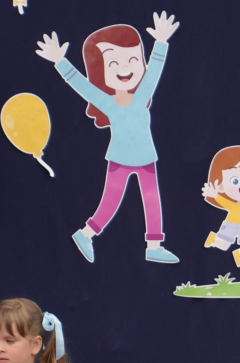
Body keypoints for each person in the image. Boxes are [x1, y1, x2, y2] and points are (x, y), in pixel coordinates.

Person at [36, 15, 182, 264]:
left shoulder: (142, 95)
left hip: (146, 156)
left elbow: (154, 73)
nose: (125, 68)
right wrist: (60, 61)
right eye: (113, 63)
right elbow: (82, 86)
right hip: (121, 158)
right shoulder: (107, 102)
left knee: (152, 200)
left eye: (133, 59)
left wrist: (160, 42)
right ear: (101, 72)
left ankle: (154, 246)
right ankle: (85, 234)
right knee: (111, 201)